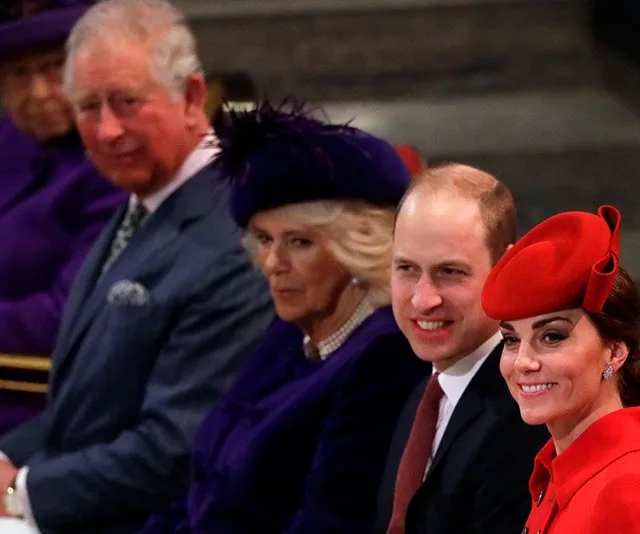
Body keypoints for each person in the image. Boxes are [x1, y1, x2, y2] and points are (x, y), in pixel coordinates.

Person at [0, 1, 274, 533]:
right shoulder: (140, 200)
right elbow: (81, 411)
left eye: (127, 103)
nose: (106, 131)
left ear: (192, 96)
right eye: (88, 107)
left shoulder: (235, 234)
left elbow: (177, 449)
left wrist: (19, 490)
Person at [140, 101, 430, 534]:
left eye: (298, 242)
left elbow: (330, 522)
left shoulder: (384, 358)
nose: (273, 263)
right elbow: (200, 491)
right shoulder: (291, 331)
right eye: (263, 238)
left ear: (358, 248)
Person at [375, 163, 549, 534]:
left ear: (507, 267)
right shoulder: (424, 396)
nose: (423, 300)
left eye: (449, 272)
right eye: (406, 268)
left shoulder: (523, 416)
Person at [0, 0, 124, 434]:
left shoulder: (121, 165)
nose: (38, 94)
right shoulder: (10, 138)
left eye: (55, 68)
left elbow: (66, 315)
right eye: (18, 74)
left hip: (38, 410)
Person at [481, 205, 640, 533]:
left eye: (552, 336)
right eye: (511, 340)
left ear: (615, 351)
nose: (524, 362)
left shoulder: (627, 488)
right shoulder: (556, 469)